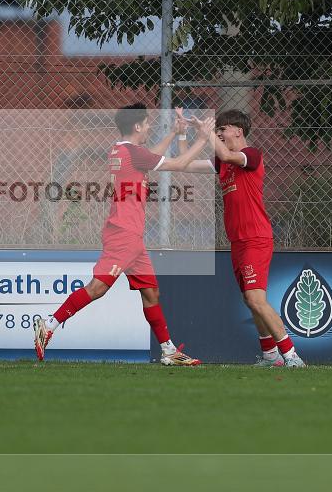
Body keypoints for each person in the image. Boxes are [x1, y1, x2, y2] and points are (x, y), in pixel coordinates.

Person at [34, 103, 213, 365]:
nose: (150, 126)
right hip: (124, 235)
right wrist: (203, 138)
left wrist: (175, 133)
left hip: (132, 237)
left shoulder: (122, 149)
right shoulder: (134, 153)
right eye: (147, 123)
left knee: (151, 293)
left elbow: (151, 156)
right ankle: (49, 324)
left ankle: (168, 351)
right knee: (98, 288)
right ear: (138, 126)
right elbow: (179, 164)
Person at [179, 108, 305, 367]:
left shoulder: (251, 155)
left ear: (239, 130)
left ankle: (291, 355)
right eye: (218, 130)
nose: (220, 134)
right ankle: (270, 356)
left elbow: (225, 153)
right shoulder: (222, 162)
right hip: (238, 241)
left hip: (255, 238)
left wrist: (205, 131)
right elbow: (186, 165)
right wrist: (184, 133)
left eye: (222, 129)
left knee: (256, 299)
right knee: (250, 299)